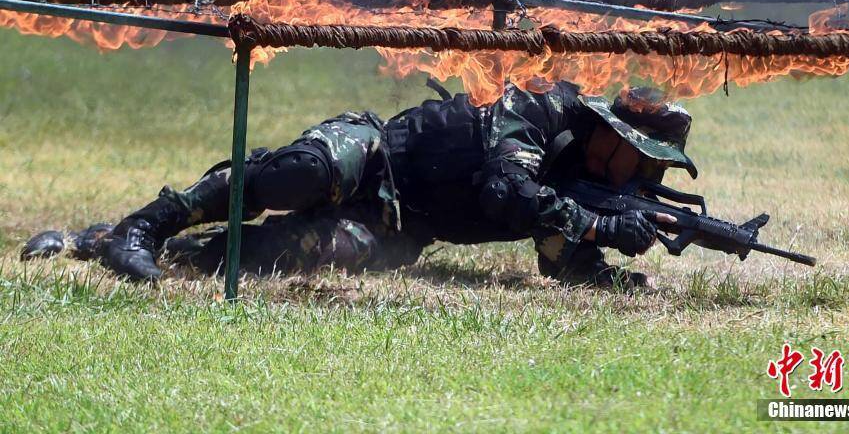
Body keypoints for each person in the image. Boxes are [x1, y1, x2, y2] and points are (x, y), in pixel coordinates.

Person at [22, 80, 697, 288]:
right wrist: (601, 223)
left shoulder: (588, 180)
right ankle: (145, 224)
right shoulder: (541, 111)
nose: (644, 175)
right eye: (642, 160)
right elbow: (506, 193)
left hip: (401, 228)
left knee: (301, 252)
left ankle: (122, 247)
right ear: (612, 134)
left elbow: (557, 251)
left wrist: (607, 264)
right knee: (298, 175)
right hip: (374, 154)